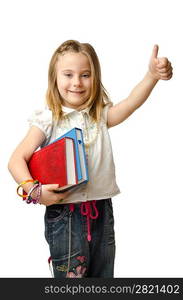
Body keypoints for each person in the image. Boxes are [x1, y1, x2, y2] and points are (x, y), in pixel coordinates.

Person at [8, 40, 173, 278]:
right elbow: (16, 160)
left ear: (95, 78)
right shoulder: (49, 118)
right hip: (65, 214)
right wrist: (35, 192)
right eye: (68, 74)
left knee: (103, 277)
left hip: (102, 210)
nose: (77, 82)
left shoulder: (99, 115)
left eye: (85, 75)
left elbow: (130, 104)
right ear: (54, 78)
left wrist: (151, 76)